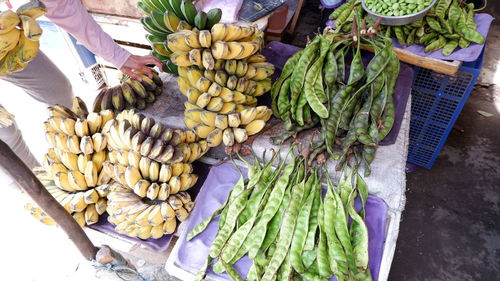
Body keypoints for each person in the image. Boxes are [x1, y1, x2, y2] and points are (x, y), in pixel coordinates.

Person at [0, 0, 162, 171]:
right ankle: (32, 186)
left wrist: (118, 56)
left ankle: (84, 157)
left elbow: (62, 7)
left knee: (58, 90)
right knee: (6, 131)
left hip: (6, 42)